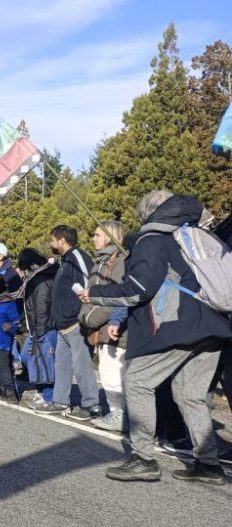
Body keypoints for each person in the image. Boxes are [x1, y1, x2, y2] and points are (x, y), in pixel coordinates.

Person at [85, 192, 232, 484]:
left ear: (147, 214)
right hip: (213, 325)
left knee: (138, 382)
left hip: (175, 325)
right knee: (190, 394)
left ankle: (143, 458)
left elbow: (138, 290)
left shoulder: (151, 240)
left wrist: (95, 294)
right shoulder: (192, 237)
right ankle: (209, 464)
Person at [30, 225, 99, 420]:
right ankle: (60, 401)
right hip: (62, 326)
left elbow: (89, 285)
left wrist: (82, 316)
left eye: (52, 240)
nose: (50, 244)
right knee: (62, 366)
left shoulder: (78, 258)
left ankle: (91, 405)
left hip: (77, 323)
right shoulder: (65, 261)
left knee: (82, 367)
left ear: (62, 240)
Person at [80, 221, 129, 432]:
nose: (93, 238)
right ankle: (117, 413)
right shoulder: (99, 262)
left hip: (116, 330)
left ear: (111, 236)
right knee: (107, 372)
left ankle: (121, 415)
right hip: (101, 329)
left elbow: (117, 296)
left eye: (98, 234)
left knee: (114, 374)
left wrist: (90, 319)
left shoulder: (120, 262)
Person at [17, 248, 58, 408]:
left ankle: (49, 396)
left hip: (45, 328)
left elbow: (42, 307)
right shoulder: (35, 278)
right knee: (27, 357)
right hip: (37, 329)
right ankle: (43, 391)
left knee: (44, 361)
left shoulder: (41, 279)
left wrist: (39, 333)